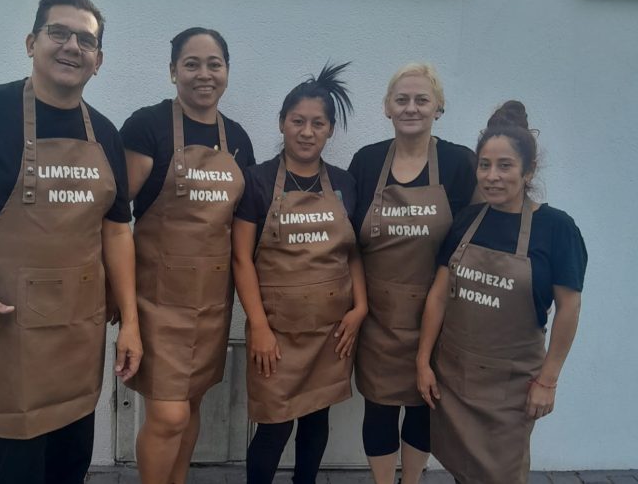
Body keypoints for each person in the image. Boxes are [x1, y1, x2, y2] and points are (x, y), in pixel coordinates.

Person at [0, 0, 142, 484]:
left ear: (98, 61)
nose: (72, 46)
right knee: (16, 469)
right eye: (58, 32)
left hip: (79, 331)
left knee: (70, 467)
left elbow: (117, 229)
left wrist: (130, 321)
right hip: (7, 328)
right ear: (31, 42)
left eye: (86, 40)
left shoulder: (103, 133)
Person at [416, 101, 587, 484]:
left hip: (511, 388)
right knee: (461, 468)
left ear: (529, 171)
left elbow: (569, 307)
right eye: (485, 165)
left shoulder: (556, 229)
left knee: (502, 474)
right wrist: (423, 361)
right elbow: (439, 297)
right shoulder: (466, 222)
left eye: (505, 166)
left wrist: (548, 380)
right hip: (455, 378)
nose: (492, 176)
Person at [119, 27, 255, 484]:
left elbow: (242, 230)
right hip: (157, 301)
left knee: (192, 403)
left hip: (213, 302)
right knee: (169, 416)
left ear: (227, 71)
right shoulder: (147, 125)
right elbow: (115, 218)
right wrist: (122, 307)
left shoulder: (237, 138)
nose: (204, 74)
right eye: (191, 64)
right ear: (173, 71)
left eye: (214, 64)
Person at [232, 62, 368, 484]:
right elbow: (241, 260)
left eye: (318, 123)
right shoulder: (256, 181)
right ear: (282, 123)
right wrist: (257, 326)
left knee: (316, 420)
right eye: (298, 121)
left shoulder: (345, 183)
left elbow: (353, 254)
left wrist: (360, 308)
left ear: (329, 131)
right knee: (274, 426)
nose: (307, 132)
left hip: (330, 331)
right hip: (277, 331)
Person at [348, 63, 476, 484]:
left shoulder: (460, 163)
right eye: (402, 99)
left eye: (422, 100)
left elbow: (474, 240)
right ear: (387, 107)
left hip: (437, 314)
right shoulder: (366, 162)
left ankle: (413, 480)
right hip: (379, 316)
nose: (411, 108)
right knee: (380, 408)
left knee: (425, 406)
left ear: (438, 107)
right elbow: (349, 241)